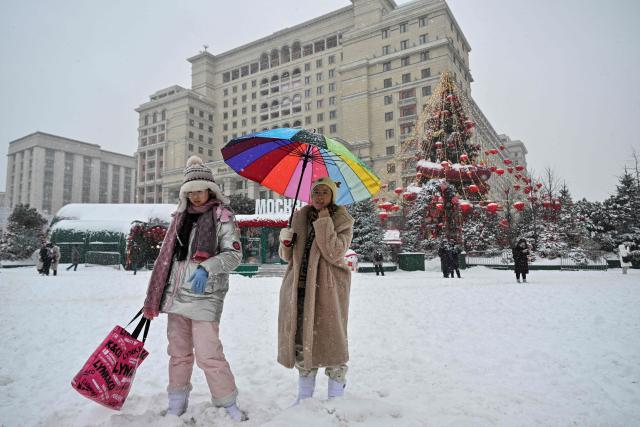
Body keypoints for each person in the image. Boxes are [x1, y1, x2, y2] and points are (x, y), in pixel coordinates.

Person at [142, 156, 247, 421]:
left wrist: (206, 267)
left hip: (205, 295)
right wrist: (157, 294)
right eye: (191, 191)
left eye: (201, 190)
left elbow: (234, 256)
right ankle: (177, 402)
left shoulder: (222, 216)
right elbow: (167, 258)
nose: (197, 196)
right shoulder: (179, 218)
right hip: (176, 295)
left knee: (209, 354)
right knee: (178, 354)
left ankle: (227, 403)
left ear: (211, 190)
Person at [278, 177, 354, 403]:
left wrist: (323, 221)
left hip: (328, 290)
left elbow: (333, 251)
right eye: (316, 192)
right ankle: (304, 397)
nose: (319, 196)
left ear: (332, 195)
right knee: (301, 339)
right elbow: (287, 258)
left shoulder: (342, 220)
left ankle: (336, 395)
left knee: (332, 339)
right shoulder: (299, 217)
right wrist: (286, 242)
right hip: (298, 289)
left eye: (324, 192)